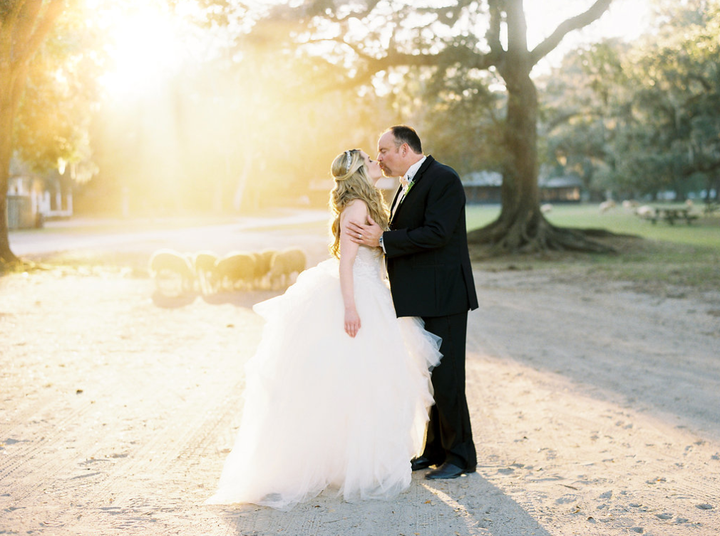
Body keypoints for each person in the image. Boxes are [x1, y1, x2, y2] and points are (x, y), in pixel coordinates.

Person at [205, 149, 442, 510]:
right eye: (369, 159)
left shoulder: (366, 202)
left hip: (372, 292)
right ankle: (349, 464)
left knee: (365, 381)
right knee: (358, 379)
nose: (377, 162)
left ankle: (349, 459)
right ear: (361, 172)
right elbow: (346, 262)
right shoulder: (358, 207)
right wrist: (350, 307)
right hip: (359, 295)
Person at [347, 126, 479, 480]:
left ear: (404, 149)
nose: (379, 159)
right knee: (431, 375)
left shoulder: (443, 179)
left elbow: (438, 233)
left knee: (448, 377)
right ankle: (434, 449)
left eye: (384, 151)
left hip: (445, 295)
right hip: (423, 295)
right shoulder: (407, 184)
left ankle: (460, 456)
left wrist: (385, 239)